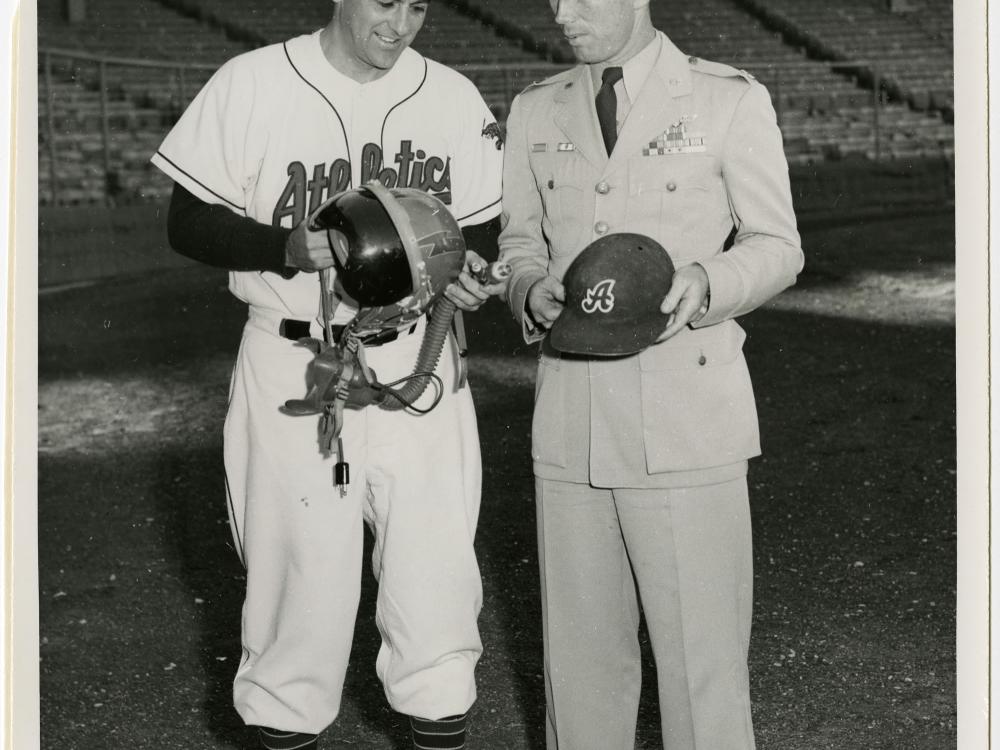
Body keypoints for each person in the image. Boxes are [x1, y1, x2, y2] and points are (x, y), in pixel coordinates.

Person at [150, 2, 504, 748]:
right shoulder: (250, 83)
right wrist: (282, 245)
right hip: (293, 359)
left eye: (417, 6)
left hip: (420, 359)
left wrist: (471, 269)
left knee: (437, 585)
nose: (400, 23)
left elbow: (481, 226)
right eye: (385, 1)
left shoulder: (450, 94)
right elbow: (187, 220)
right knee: (295, 595)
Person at [497, 0, 804, 748]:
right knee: (580, 676)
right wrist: (525, 287)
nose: (561, 13)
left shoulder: (726, 98)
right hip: (573, 424)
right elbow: (517, 238)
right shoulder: (535, 110)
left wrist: (709, 279)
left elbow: (778, 245)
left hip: (684, 423)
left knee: (703, 677)